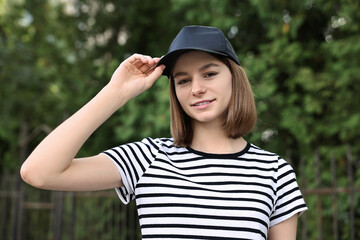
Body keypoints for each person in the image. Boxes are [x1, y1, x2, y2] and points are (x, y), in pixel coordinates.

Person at [20, 25, 307, 240]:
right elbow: (39, 172)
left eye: (209, 74)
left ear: (235, 78)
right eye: (183, 80)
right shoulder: (148, 158)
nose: (196, 88)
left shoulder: (274, 171)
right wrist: (116, 93)